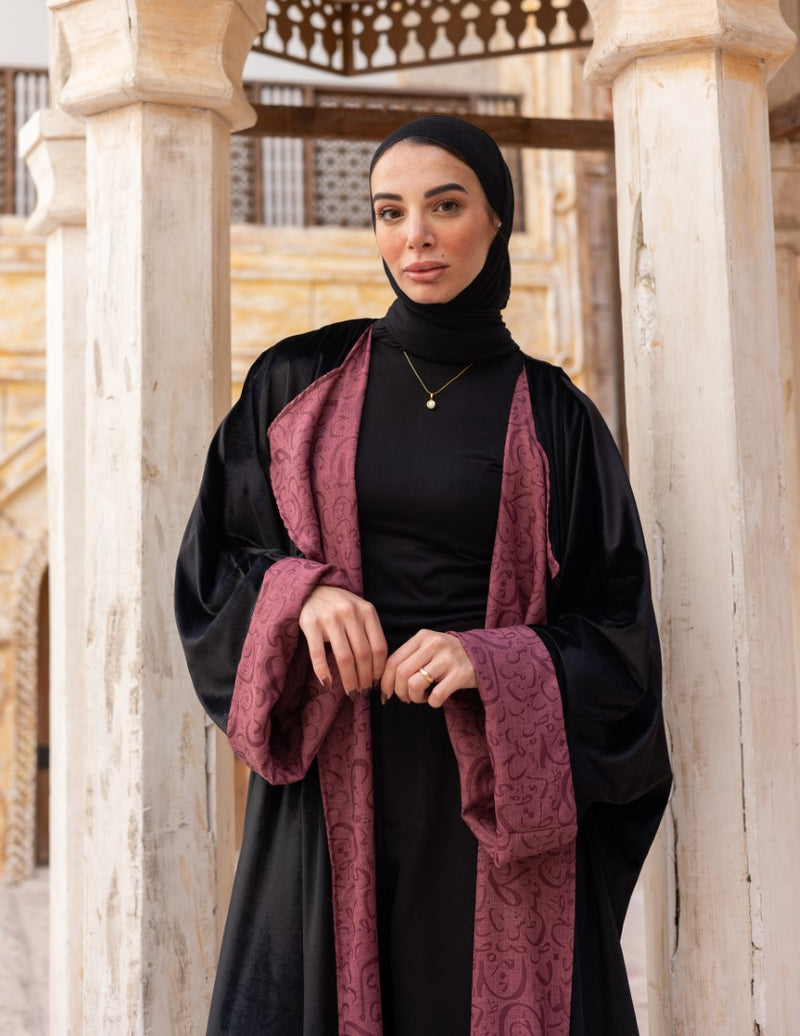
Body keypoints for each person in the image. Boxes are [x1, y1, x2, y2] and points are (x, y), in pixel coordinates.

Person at [174, 114, 671, 1036]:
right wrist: (302, 593)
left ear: (496, 220)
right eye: (390, 211)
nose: (416, 236)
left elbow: (622, 644)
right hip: (330, 788)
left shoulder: (558, 418)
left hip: (491, 795)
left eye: (445, 206)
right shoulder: (297, 381)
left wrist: (498, 661)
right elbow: (215, 565)